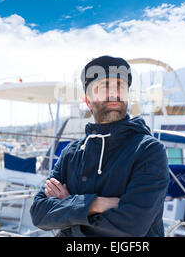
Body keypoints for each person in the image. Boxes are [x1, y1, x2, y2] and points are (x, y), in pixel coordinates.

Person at [30, 55, 170, 237]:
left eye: (121, 86)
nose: (114, 93)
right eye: (104, 86)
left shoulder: (148, 151)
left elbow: (130, 228)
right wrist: (95, 204)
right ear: (88, 101)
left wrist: (69, 207)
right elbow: (39, 213)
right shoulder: (71, 154)